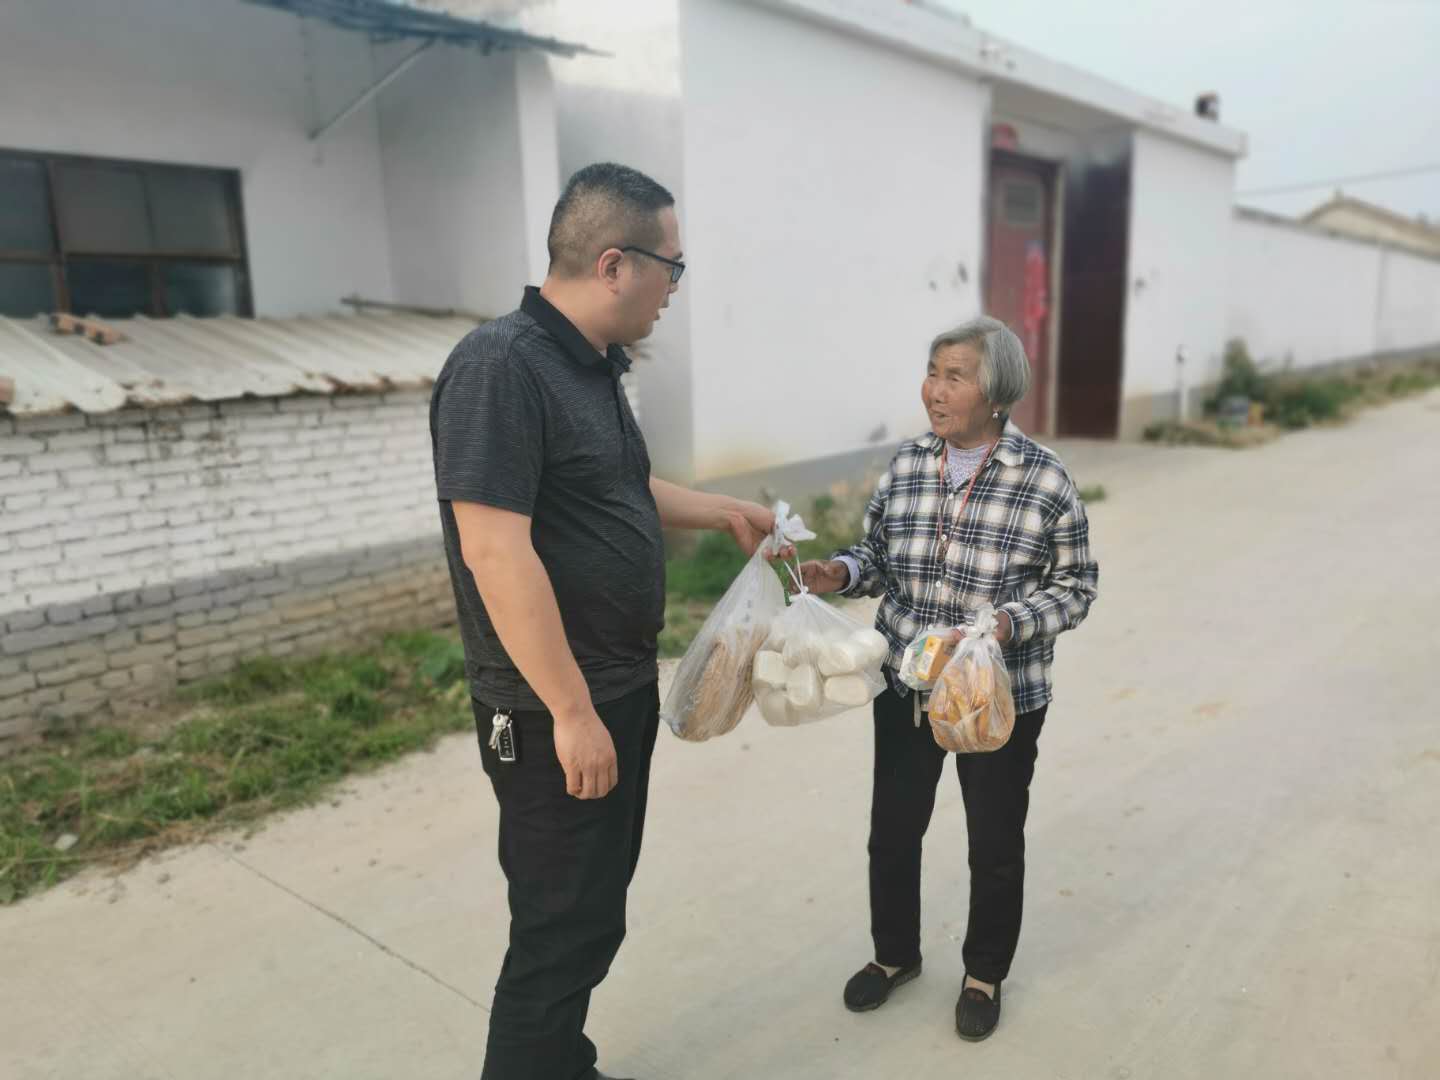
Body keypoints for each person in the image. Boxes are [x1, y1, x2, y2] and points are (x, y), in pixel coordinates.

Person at [430, 162, 784, 1080]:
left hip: (614, 685)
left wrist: (722, 511)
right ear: (616, 264)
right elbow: (494, 551)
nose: (676, 287)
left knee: (591, 914)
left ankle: (563, 1062)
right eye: (673, 266)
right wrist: (572, 712)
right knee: (557, 927)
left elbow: (615, 488)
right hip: (553, 707)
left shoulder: (588, 367)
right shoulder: (502, 366)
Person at [797, 316, 1099, 1042]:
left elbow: (1076, 587)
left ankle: (983, 973)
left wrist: (1006, 625)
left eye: (954, 376)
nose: (934, 390)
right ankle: (895, 956)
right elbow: (877, 553)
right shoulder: (908, 464)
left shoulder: (1044, 478)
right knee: (893, 830)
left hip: (997, 694)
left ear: (996, 393)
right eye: (932, 372)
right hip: (908, 683)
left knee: (993, 841)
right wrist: (838, 571)